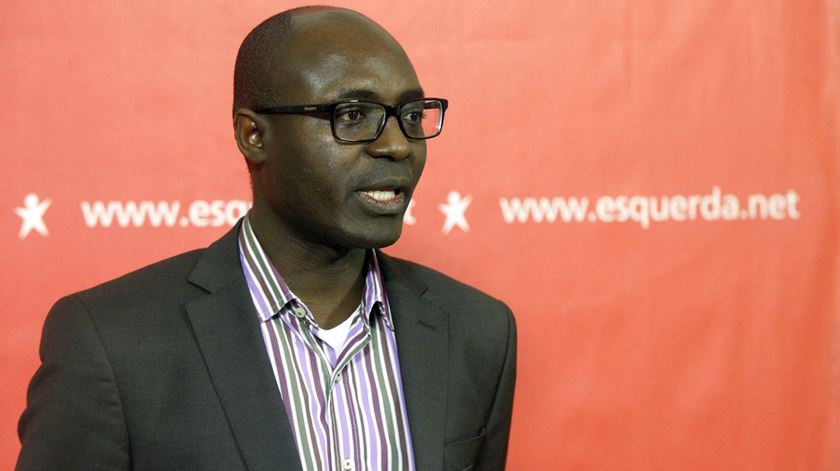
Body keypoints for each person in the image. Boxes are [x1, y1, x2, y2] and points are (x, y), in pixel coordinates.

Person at [17, 6, 516, 471]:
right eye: (353, 116)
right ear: (254, 135)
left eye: (410, 116)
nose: (396, 145)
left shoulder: (477, 332)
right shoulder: (112, 342)